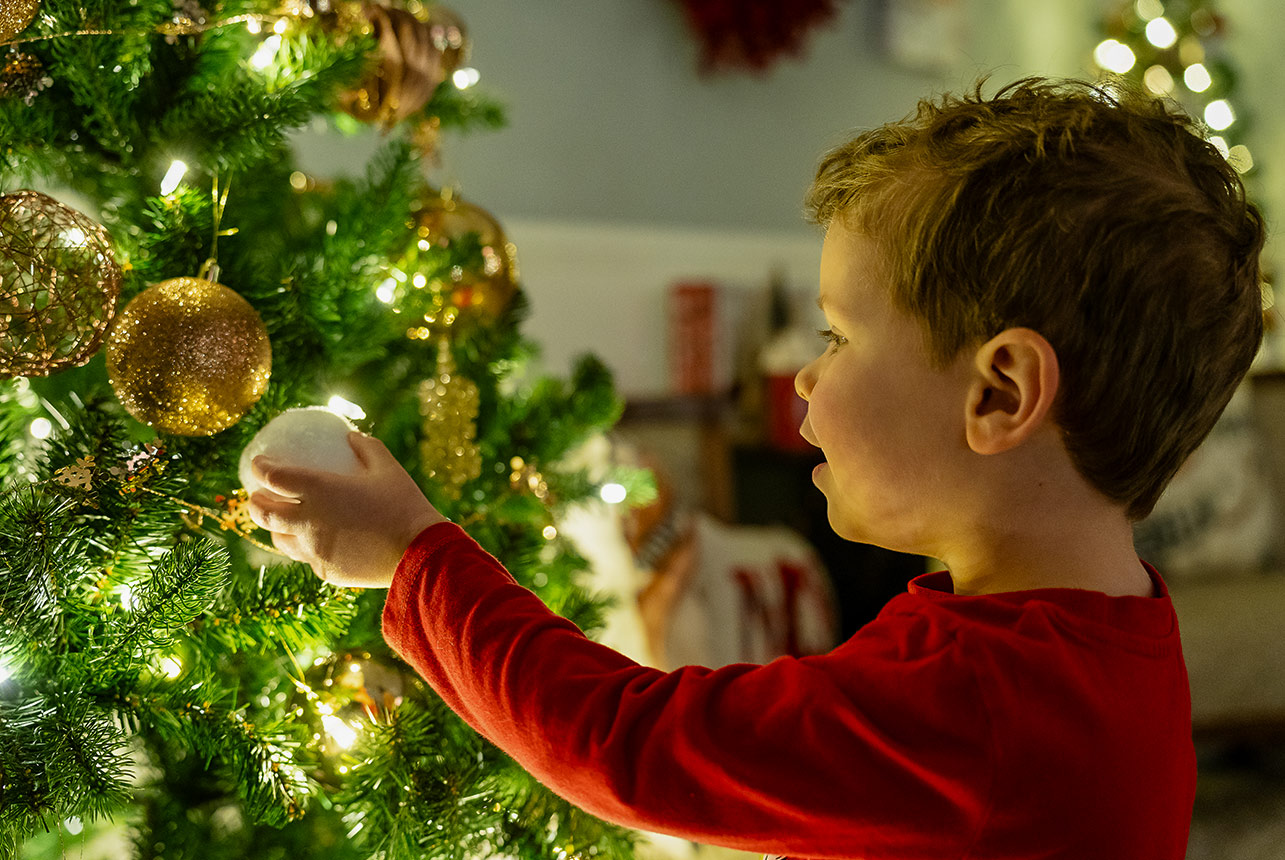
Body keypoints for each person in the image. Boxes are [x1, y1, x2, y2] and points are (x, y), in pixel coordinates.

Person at [248, 77, 1266, 859]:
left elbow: (628, 743)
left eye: (837, 337)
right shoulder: (1118, 624)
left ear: (997, 393)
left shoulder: (979, 697)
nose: (806, 383)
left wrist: (416, 554)